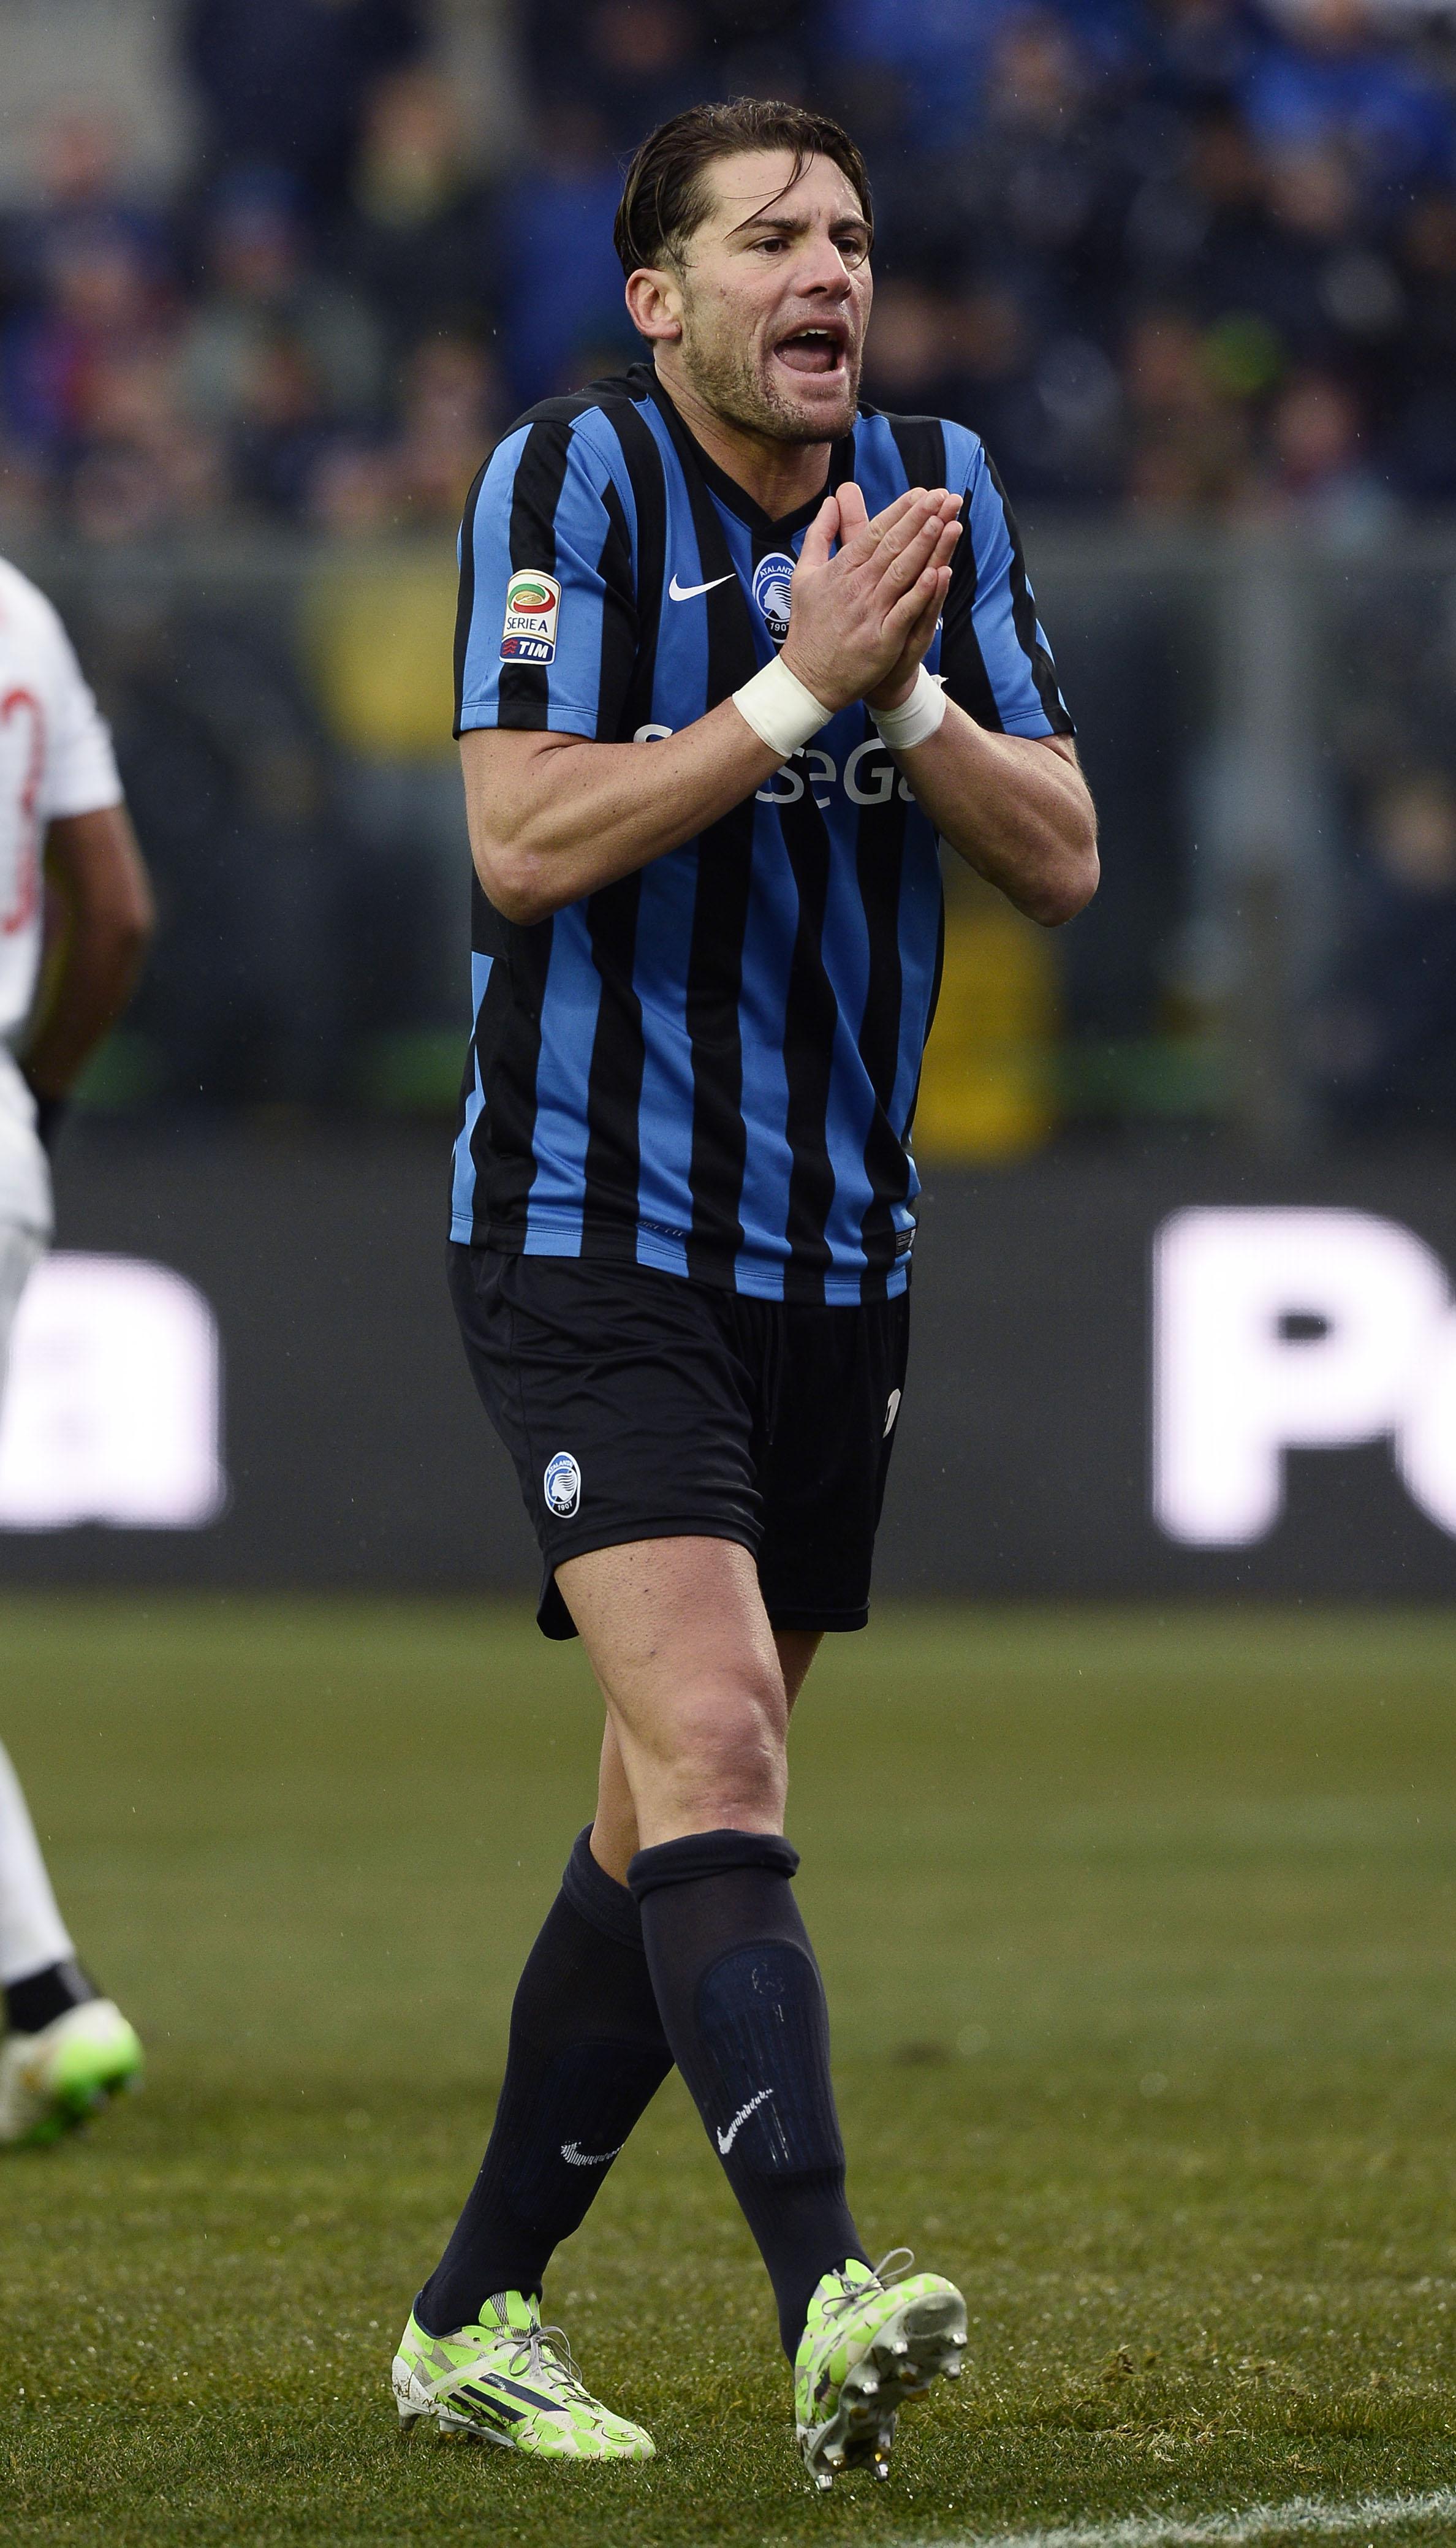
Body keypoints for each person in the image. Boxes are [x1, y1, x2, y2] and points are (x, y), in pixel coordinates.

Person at [393, 96, 1098, 2485]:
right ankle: (832, 2296)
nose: (828, 272)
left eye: (853, 237)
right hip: (592, 1221)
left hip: (837, 1253)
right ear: (658, 293)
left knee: (660, 1812)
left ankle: (469, 2313)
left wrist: (898, 691)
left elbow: (1062, 853)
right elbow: (520, 839)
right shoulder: (572, 481)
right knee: (717, 1743)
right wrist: (797, 690)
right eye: (772, 235)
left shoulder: (938, 490)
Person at [0, 556, 154, 2147]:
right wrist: (31, 1104)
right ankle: (46, 1993)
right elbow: (116, 914)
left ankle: (47, 1994)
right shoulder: (24, 611)